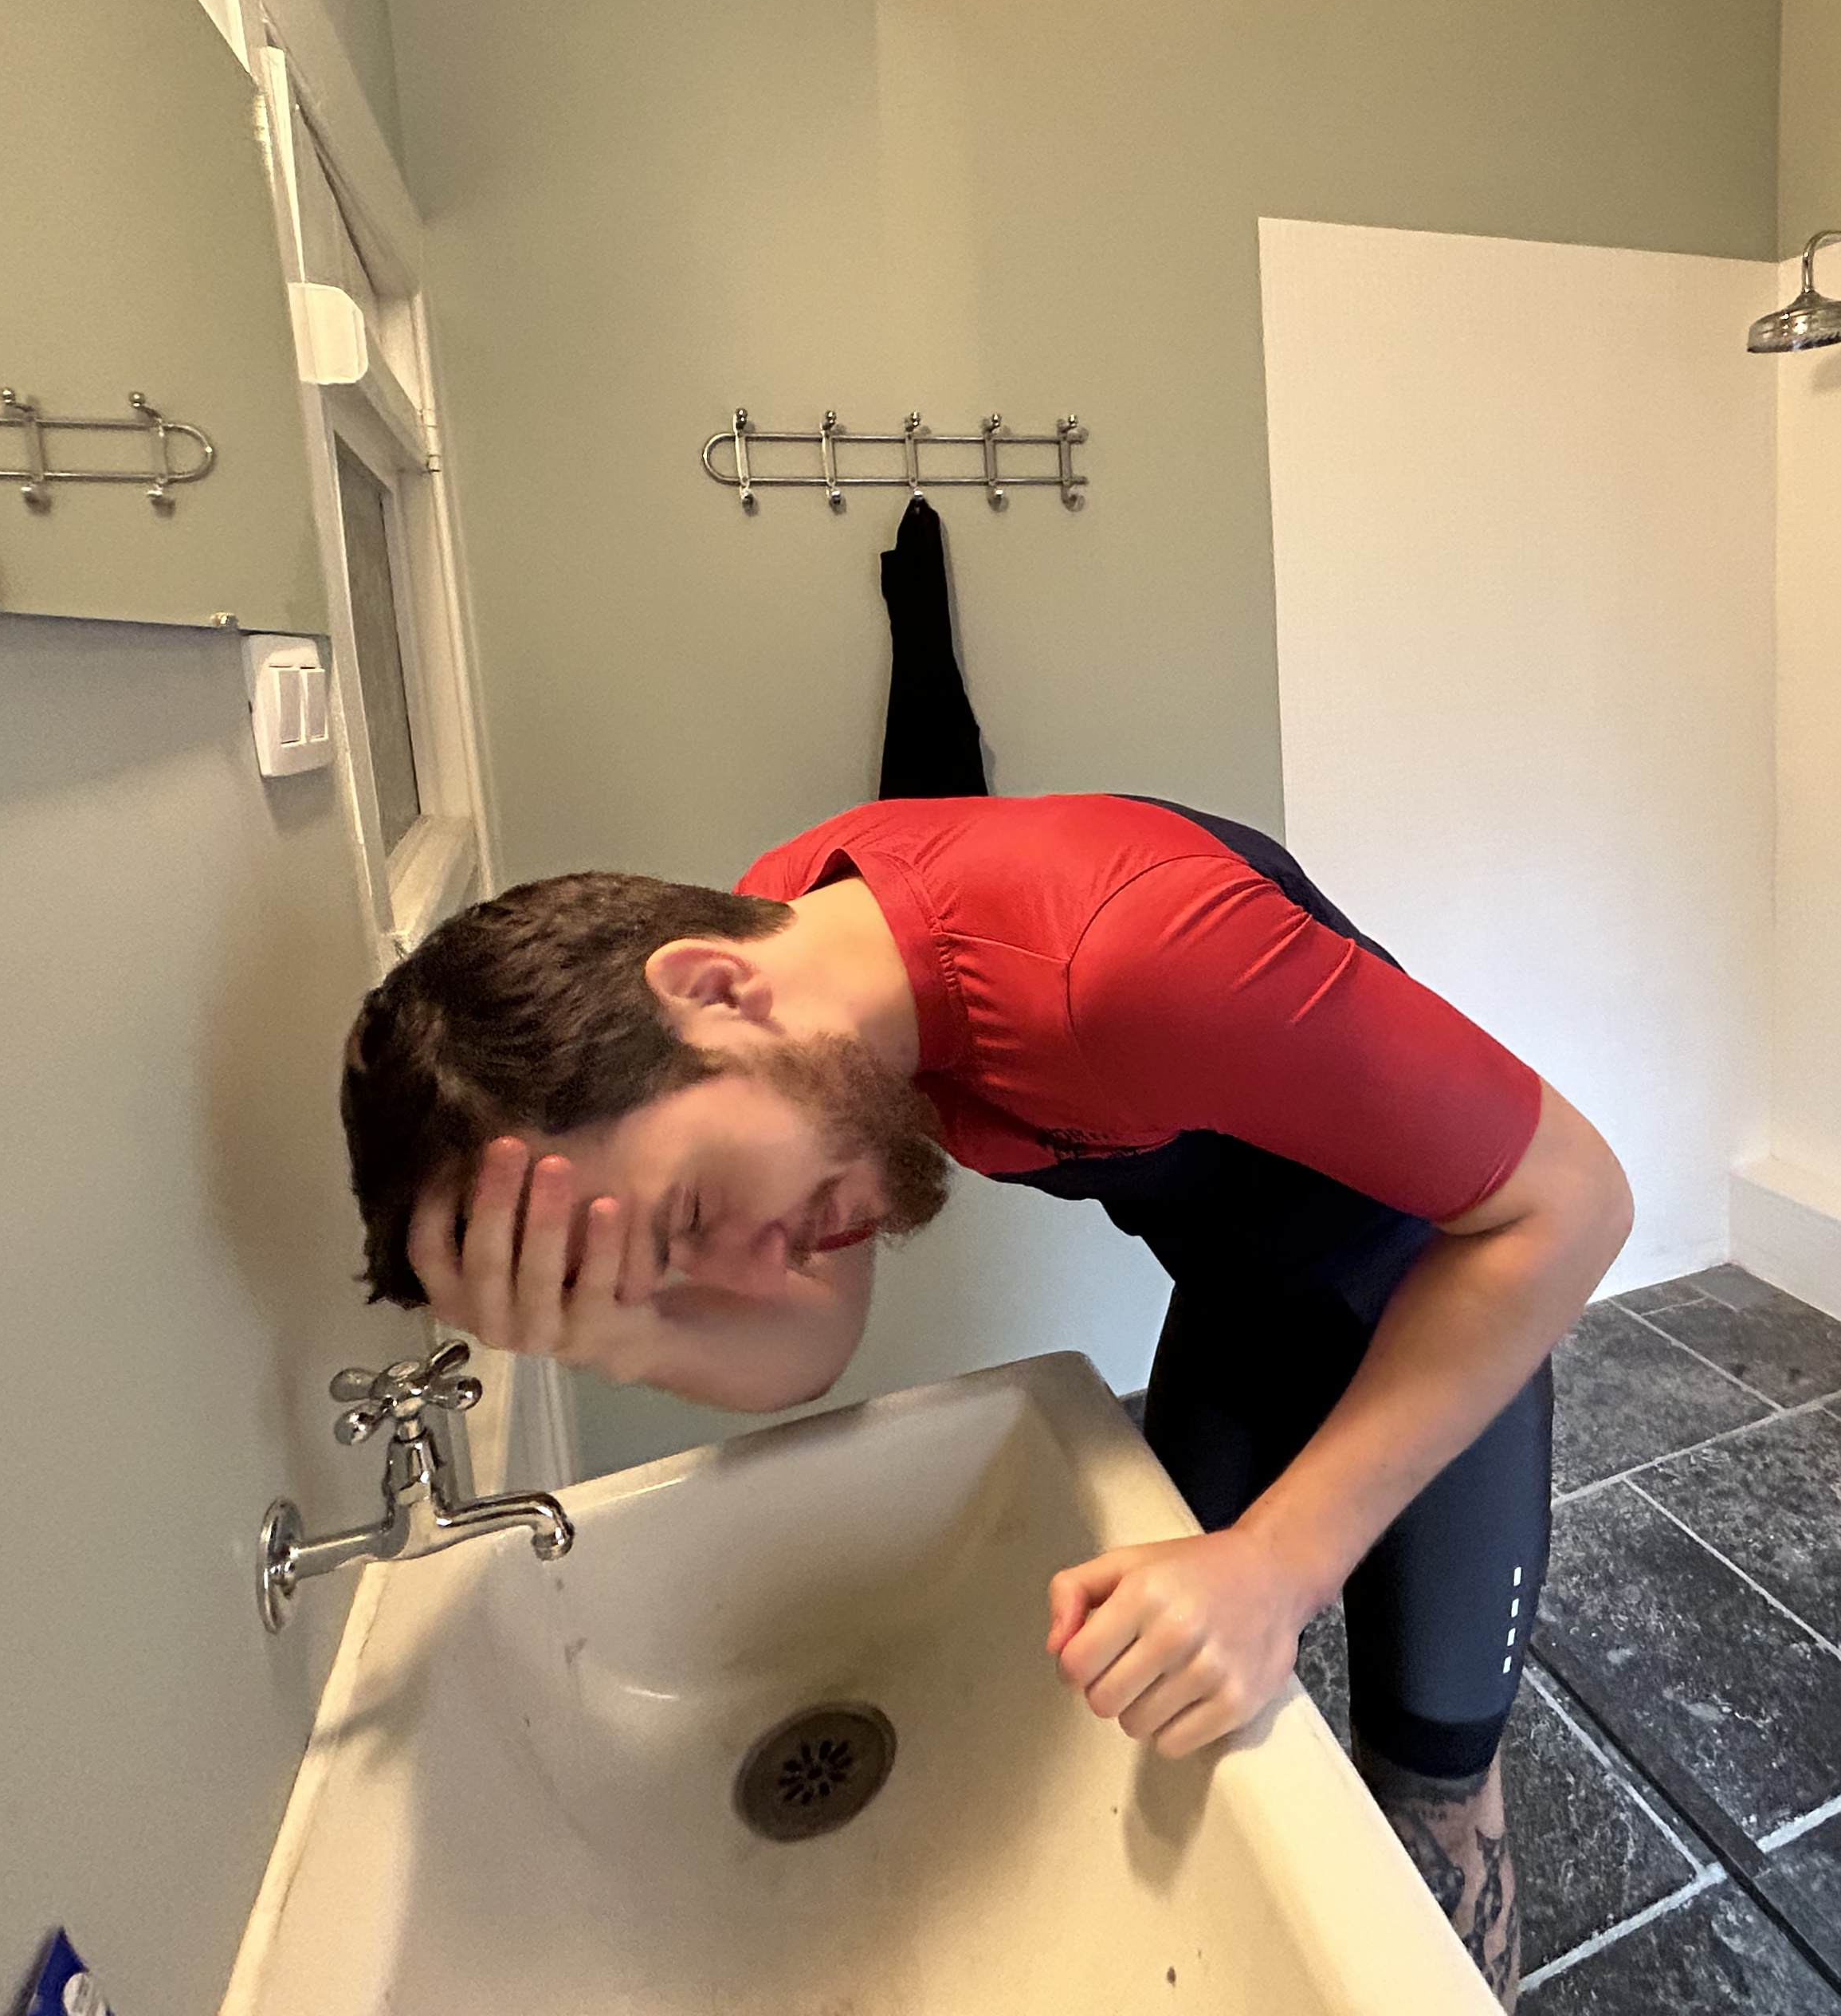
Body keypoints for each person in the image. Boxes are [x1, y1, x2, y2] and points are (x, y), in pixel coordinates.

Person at [338, 793, 1631, 2003]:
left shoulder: (1120, 961)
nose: (746, 1273)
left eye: (692, 1214)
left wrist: (1284, 1565)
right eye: (676, 1266)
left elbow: (1572, 1203)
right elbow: (813, 1339)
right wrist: (624, 1330)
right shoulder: (791, 961)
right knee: (1177, 1733)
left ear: (714, 990)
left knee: (1432, 1797)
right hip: (1240, 1306)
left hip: (1444, 1290)